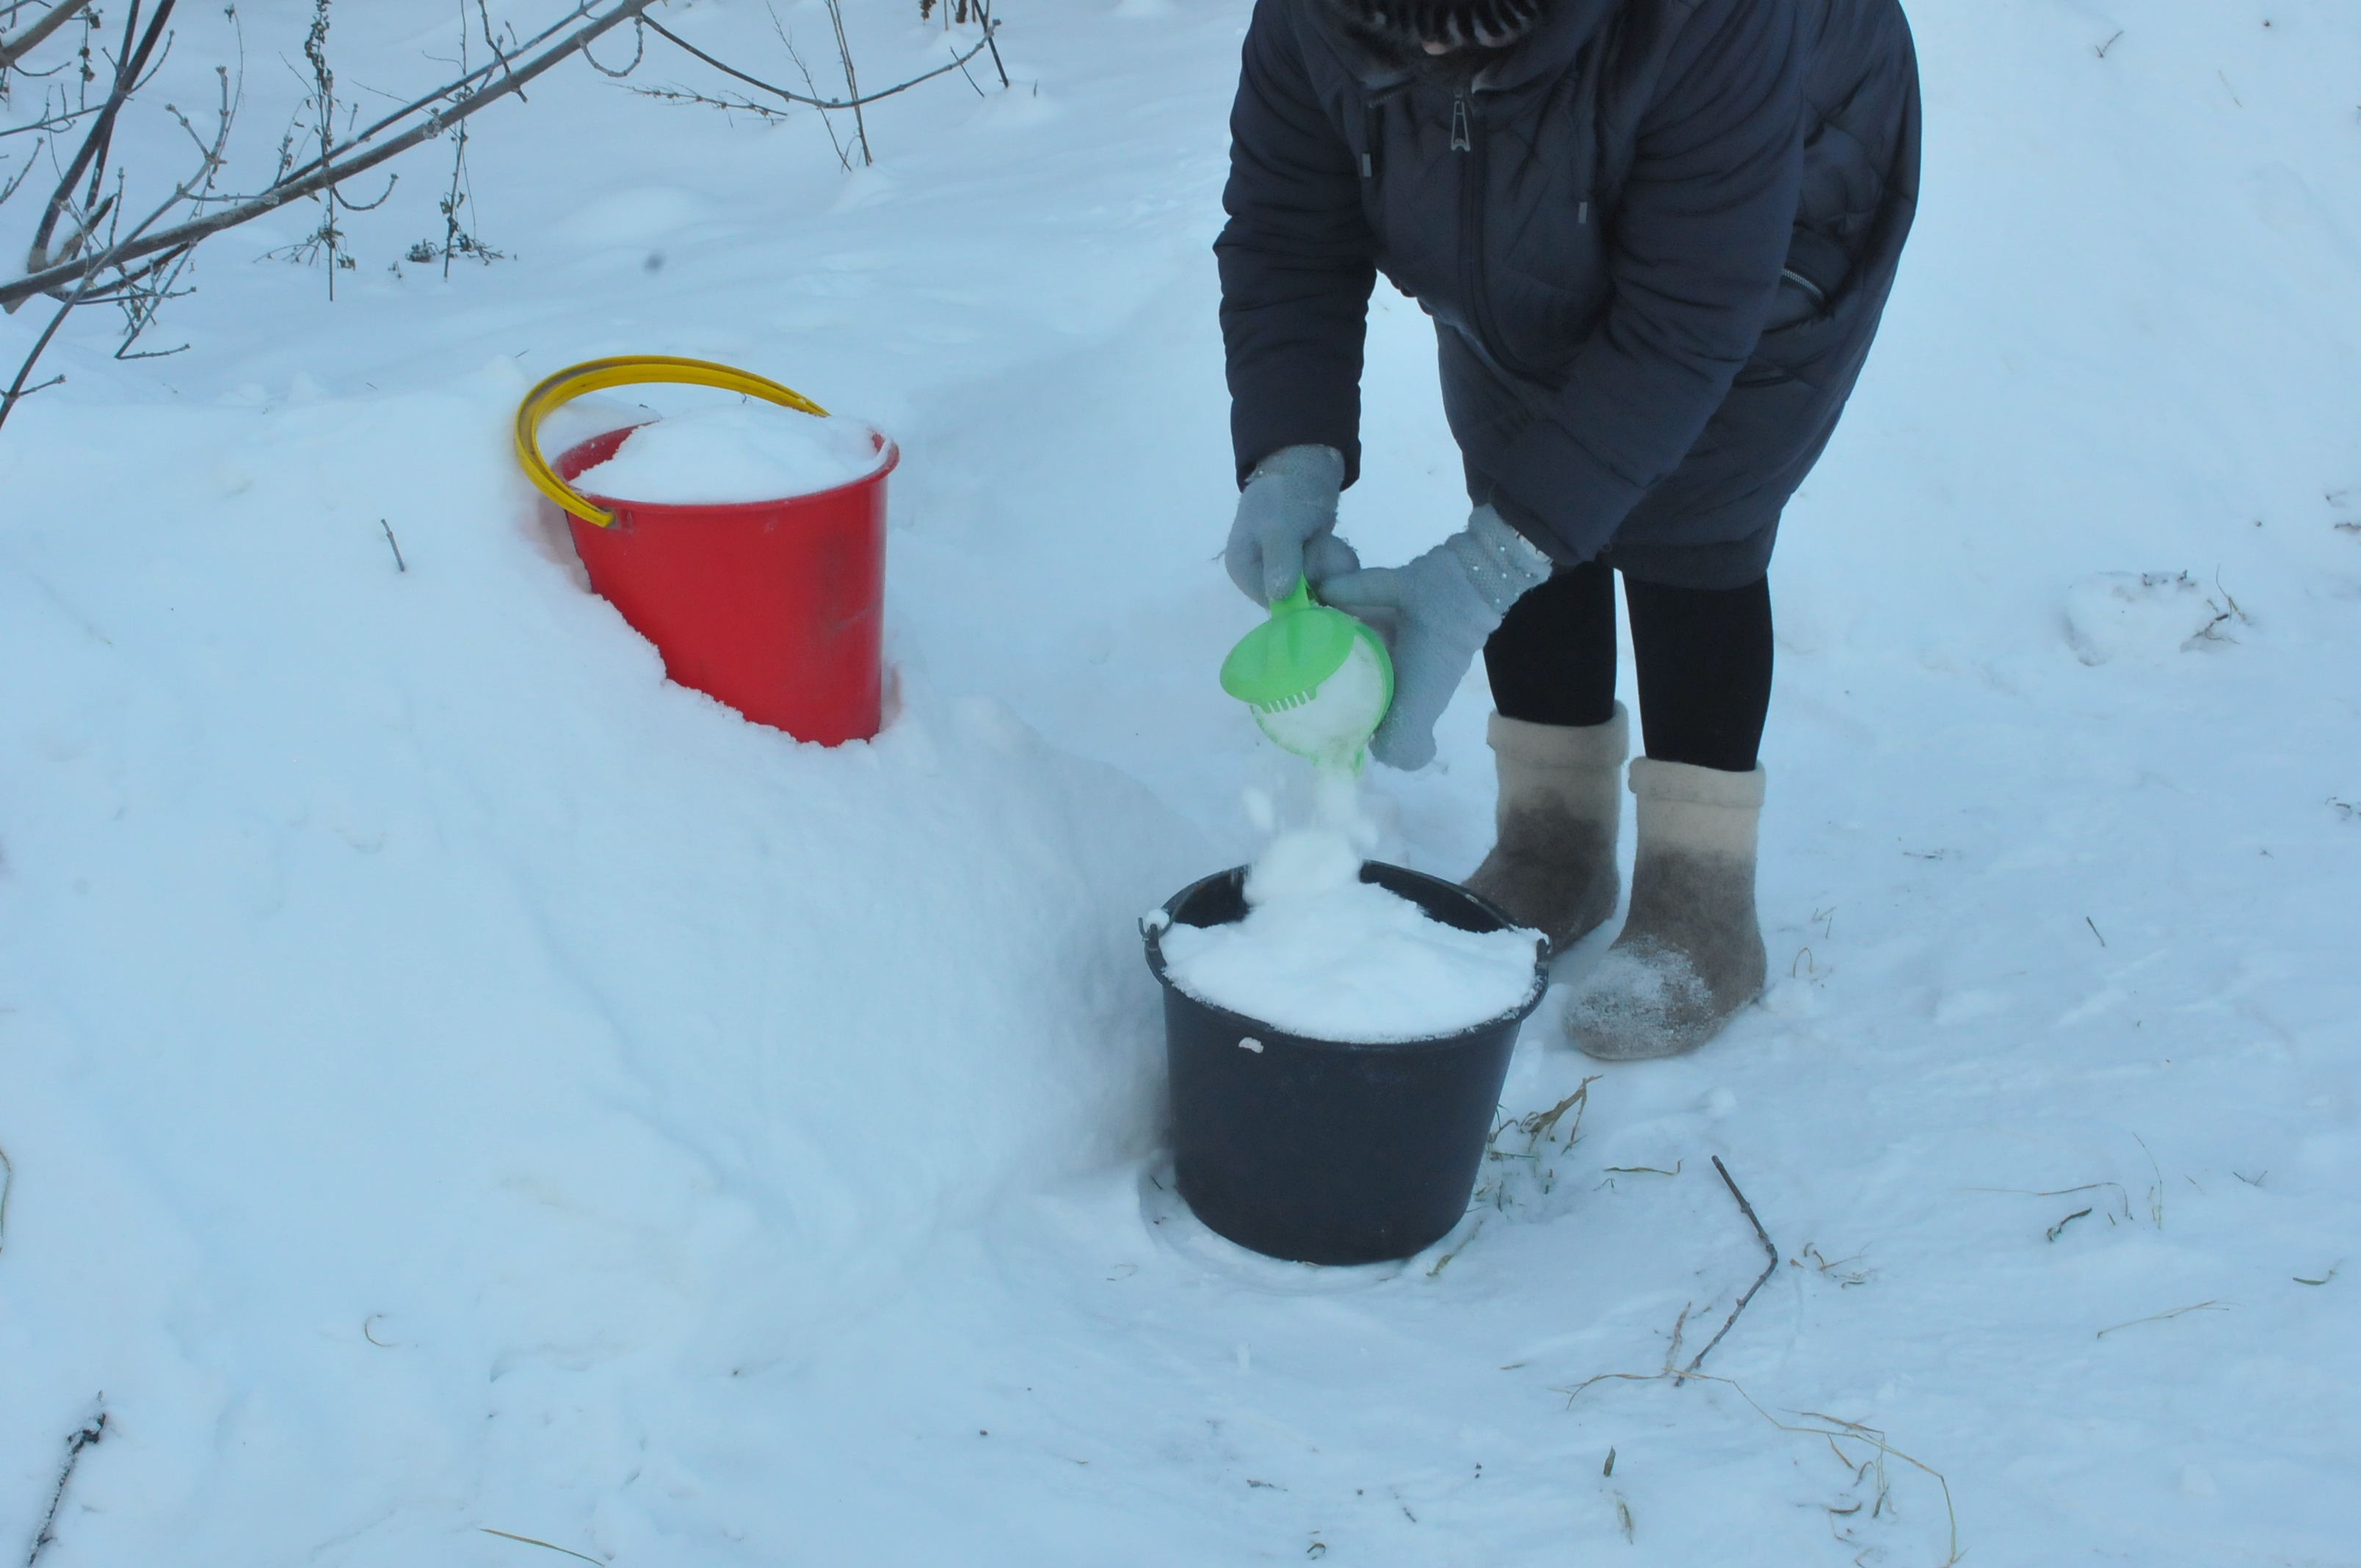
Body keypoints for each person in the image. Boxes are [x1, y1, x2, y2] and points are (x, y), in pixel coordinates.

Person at [1216, 0, 1920, 1060]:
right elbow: (1288, 223)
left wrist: (1493, 564)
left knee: (1694, 497)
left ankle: (1700, 898)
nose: (1440, 58)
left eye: (1473, 35)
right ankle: (1556, 841)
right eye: (1405, 41)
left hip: (1782, 184)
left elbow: (1686, 323)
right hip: (1521, 200)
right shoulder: (1316, 16)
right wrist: (1290, 454)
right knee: (1518, 447)